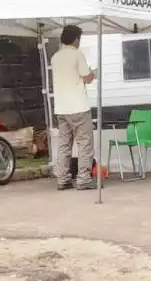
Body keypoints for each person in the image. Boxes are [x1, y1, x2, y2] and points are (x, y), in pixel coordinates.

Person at [51, 25, 99, 190]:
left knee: (64, 144)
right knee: (85, 143)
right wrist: (94, 73)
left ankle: (63, 179)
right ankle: (83, 179)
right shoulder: (77, 55)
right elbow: (86, 77)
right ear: (76, 39)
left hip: (61, 108)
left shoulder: (55, 57)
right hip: (78, 106)